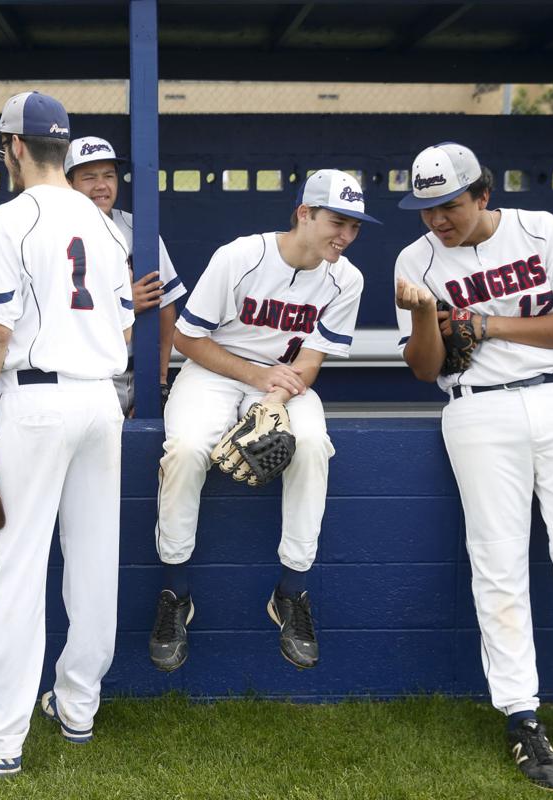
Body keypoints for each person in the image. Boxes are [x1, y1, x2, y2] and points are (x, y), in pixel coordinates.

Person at [393, 142, 553, 790]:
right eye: (426, 208)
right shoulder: (414, 260)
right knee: (498, 564)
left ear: (483, 195)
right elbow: (425, 366)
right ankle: (522, 716)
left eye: (450, 204)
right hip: (476, 409)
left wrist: (489, 325)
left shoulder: (539, 229)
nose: (438, 219)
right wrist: (427, 316)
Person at [0, 92, 133, 776]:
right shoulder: (103, 224)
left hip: (37, 401)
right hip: (99, 402)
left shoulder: (12, 217)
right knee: (93, 564)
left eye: (4, 147)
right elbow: (121, 328)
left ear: (17, 148)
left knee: (19, 570)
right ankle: (77, 707)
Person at [149, 169, 372, 673]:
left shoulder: (348, 278)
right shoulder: (240, 256)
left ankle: (291, 592)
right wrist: (256, 374)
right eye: (338, 222)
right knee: (185, 449)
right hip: (214, 368)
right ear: (303, 214)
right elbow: (187, 340)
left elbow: (313, 357)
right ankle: (174, 591)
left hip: (285, 382)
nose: (347, 236)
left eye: (355, 227)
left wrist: (276, 394)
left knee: (313, 446)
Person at [65, 135, 187, 414]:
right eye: (89, 177)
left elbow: (167, 306)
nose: (101, 186)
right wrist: (123, 300)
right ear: (69, 183)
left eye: (109, 175)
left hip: (137, 372)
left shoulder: (138, 228)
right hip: (83, 376)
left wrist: (159, 378)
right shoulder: (54, 231)